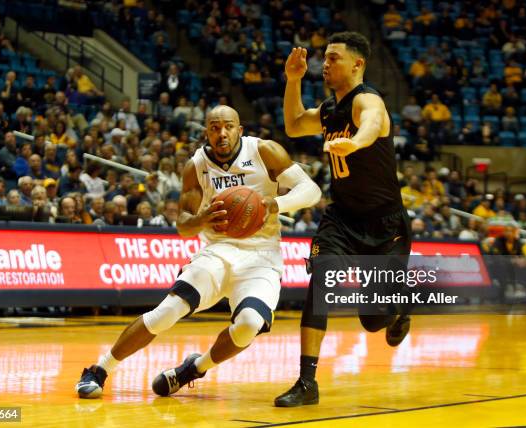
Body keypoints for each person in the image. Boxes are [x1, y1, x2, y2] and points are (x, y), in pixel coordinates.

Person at [75, 105, 321, 399]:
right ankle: (99, 370)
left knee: (248, 325)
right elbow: (183, 225)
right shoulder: (197, 165)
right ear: (207, 132)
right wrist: (201, 219)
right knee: (167, 311)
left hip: (262, 257)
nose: (222, 133)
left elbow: (311, 190)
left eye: (228, 126)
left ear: (239, 130)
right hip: (217, 251)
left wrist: (275, 205)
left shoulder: (264, 151)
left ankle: (194, 368)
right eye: (215, 128)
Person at [275, 32, 412, 407]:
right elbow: (292, 125)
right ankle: (307, 383)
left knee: (371, 320)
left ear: (357, 63)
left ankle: (400, 308)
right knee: (320, 279)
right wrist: (293, 80)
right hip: (343, 216)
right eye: (325, 58)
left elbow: (370, 123)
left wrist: (356, 142)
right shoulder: (329, 109)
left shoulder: (367, 99)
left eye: (333, 58)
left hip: (385, 225)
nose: (325, 64)